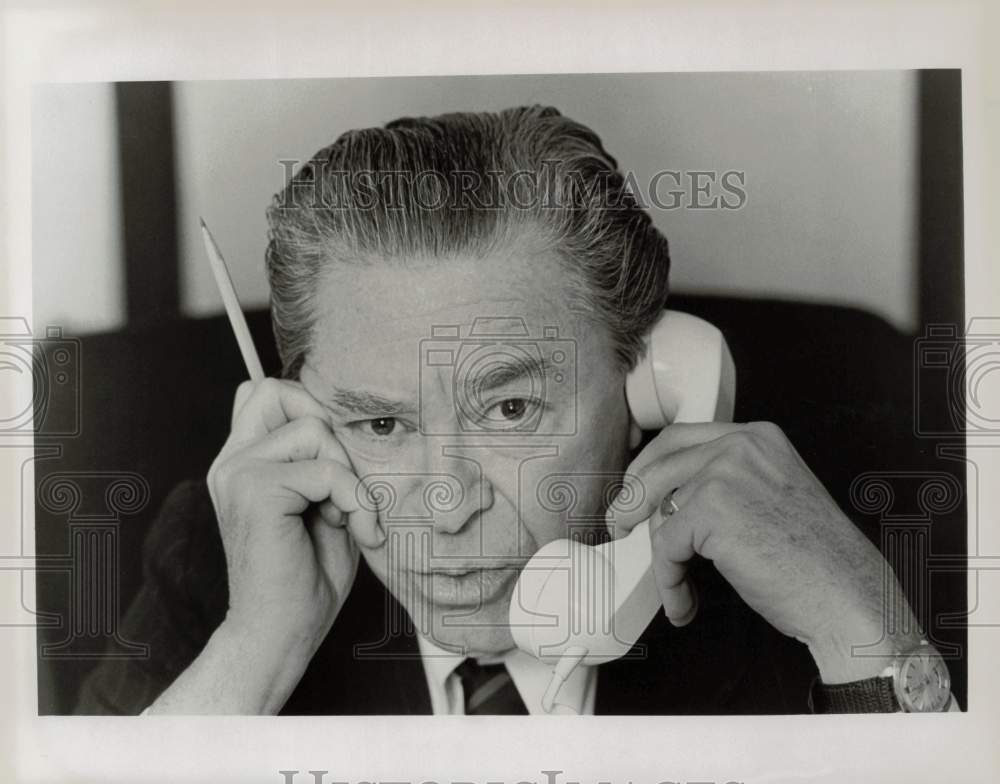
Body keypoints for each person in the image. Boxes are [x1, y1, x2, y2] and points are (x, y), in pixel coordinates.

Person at [77, 105, 954, 715]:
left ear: (653, 385)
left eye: (510, 411)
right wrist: (253, 655)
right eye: (380, 426)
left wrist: (867, 640)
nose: (445, 509)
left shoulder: (851, 534)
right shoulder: (220, 559)